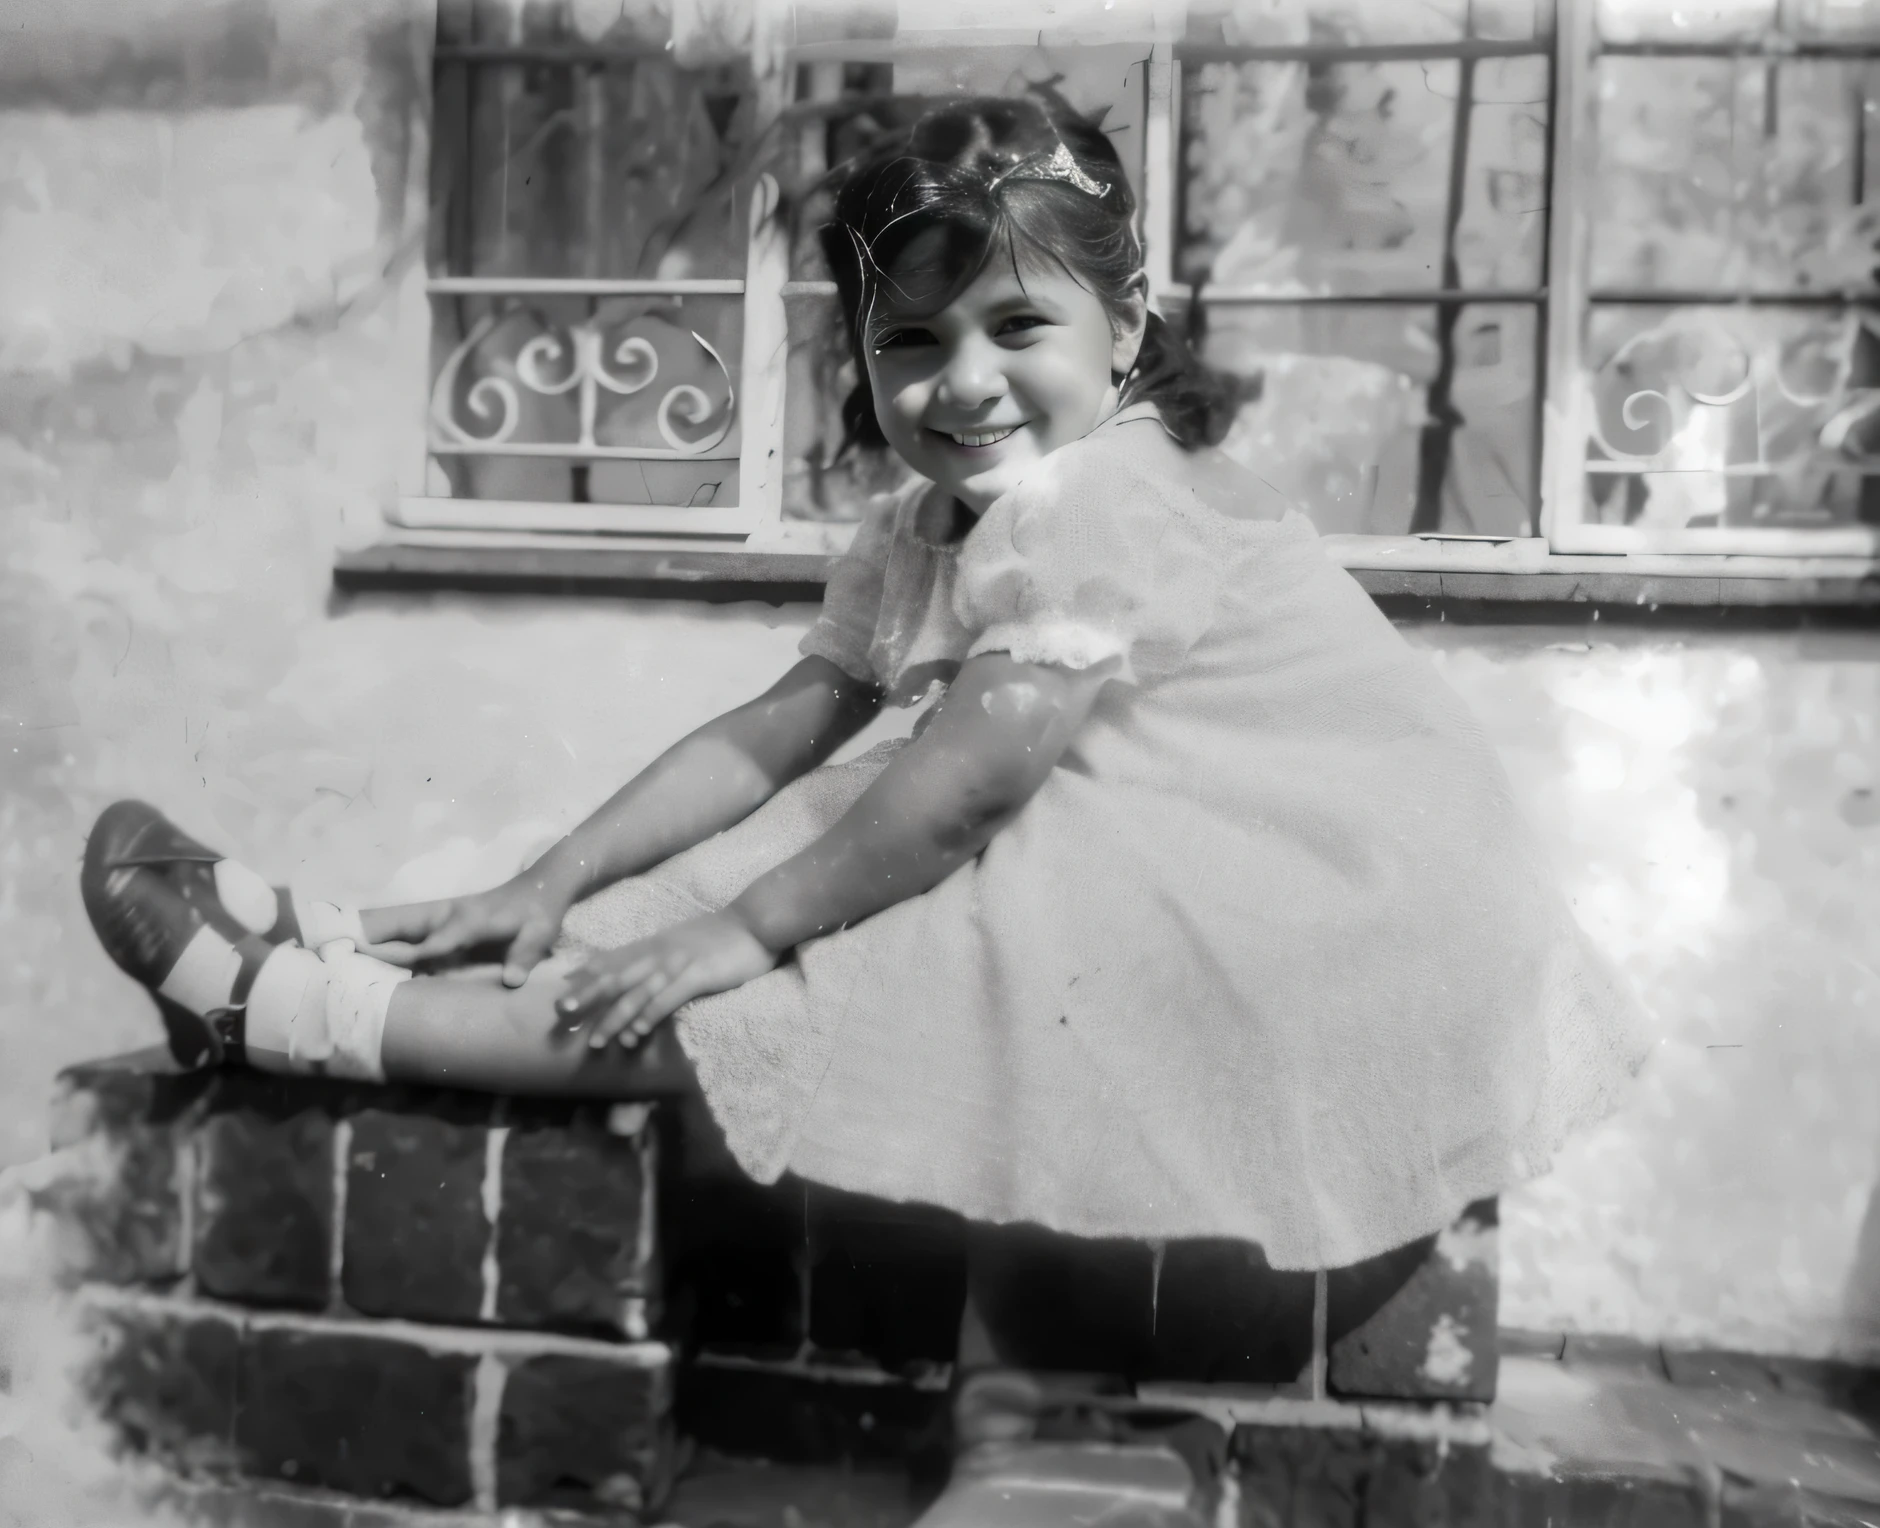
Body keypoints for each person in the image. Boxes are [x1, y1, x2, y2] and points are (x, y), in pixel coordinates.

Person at [81, 94, 1645, 1288]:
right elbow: (781, 728)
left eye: (1018, 326)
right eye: (911, 341)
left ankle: (305, 1014)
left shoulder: (1098, 497)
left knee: (780, 972)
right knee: (725, 876)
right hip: (1129, 816)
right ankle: (366, 941)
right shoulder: (929, 522)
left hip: (1312, 884)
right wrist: (548, 873)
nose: (962, 381)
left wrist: (741, 932)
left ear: (1129, 334)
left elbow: (975, 777)